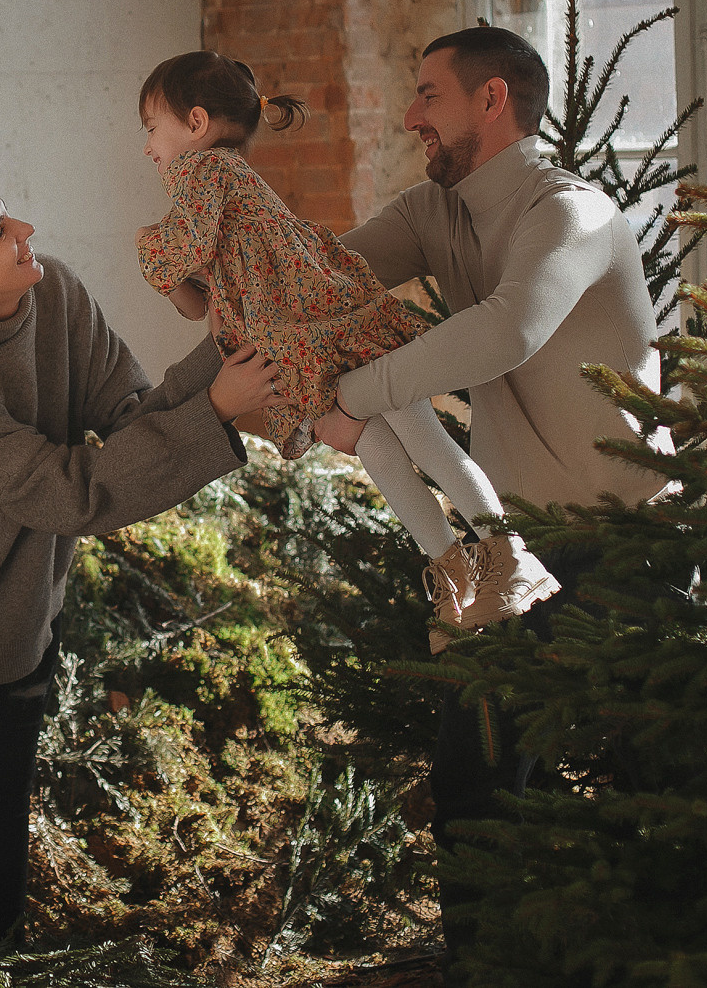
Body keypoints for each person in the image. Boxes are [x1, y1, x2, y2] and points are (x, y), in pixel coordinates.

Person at [322, 25, 670, 967]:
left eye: (428, 94)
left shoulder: (576, 214)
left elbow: (509, 328)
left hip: (627, 545)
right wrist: (215, 268)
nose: (408, 115)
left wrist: (358, 394)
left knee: (656, 783)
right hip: (506, 554)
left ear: (491, 102)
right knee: (472, 780)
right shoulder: (431, 211)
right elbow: (313, 281)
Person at [0, 173, 281, 950]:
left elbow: (129, 417)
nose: (23, 225)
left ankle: (6, 950)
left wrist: (218, 352)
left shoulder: (53, 293)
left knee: (3, 798)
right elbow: (79, 492)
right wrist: (219, 408)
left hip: (24, 606)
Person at [133, 51, 559, 647]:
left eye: (152, 128)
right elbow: (196, 302)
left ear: (197, 124)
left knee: (420, 438)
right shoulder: (218, 187)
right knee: (383, 450)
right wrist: (169, 266)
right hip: (311, 336)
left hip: (329, 327)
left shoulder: (207, 175)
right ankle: (455, 576)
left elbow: (180, 256)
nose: (149, 146)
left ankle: (507, 555)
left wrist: (147, 247)